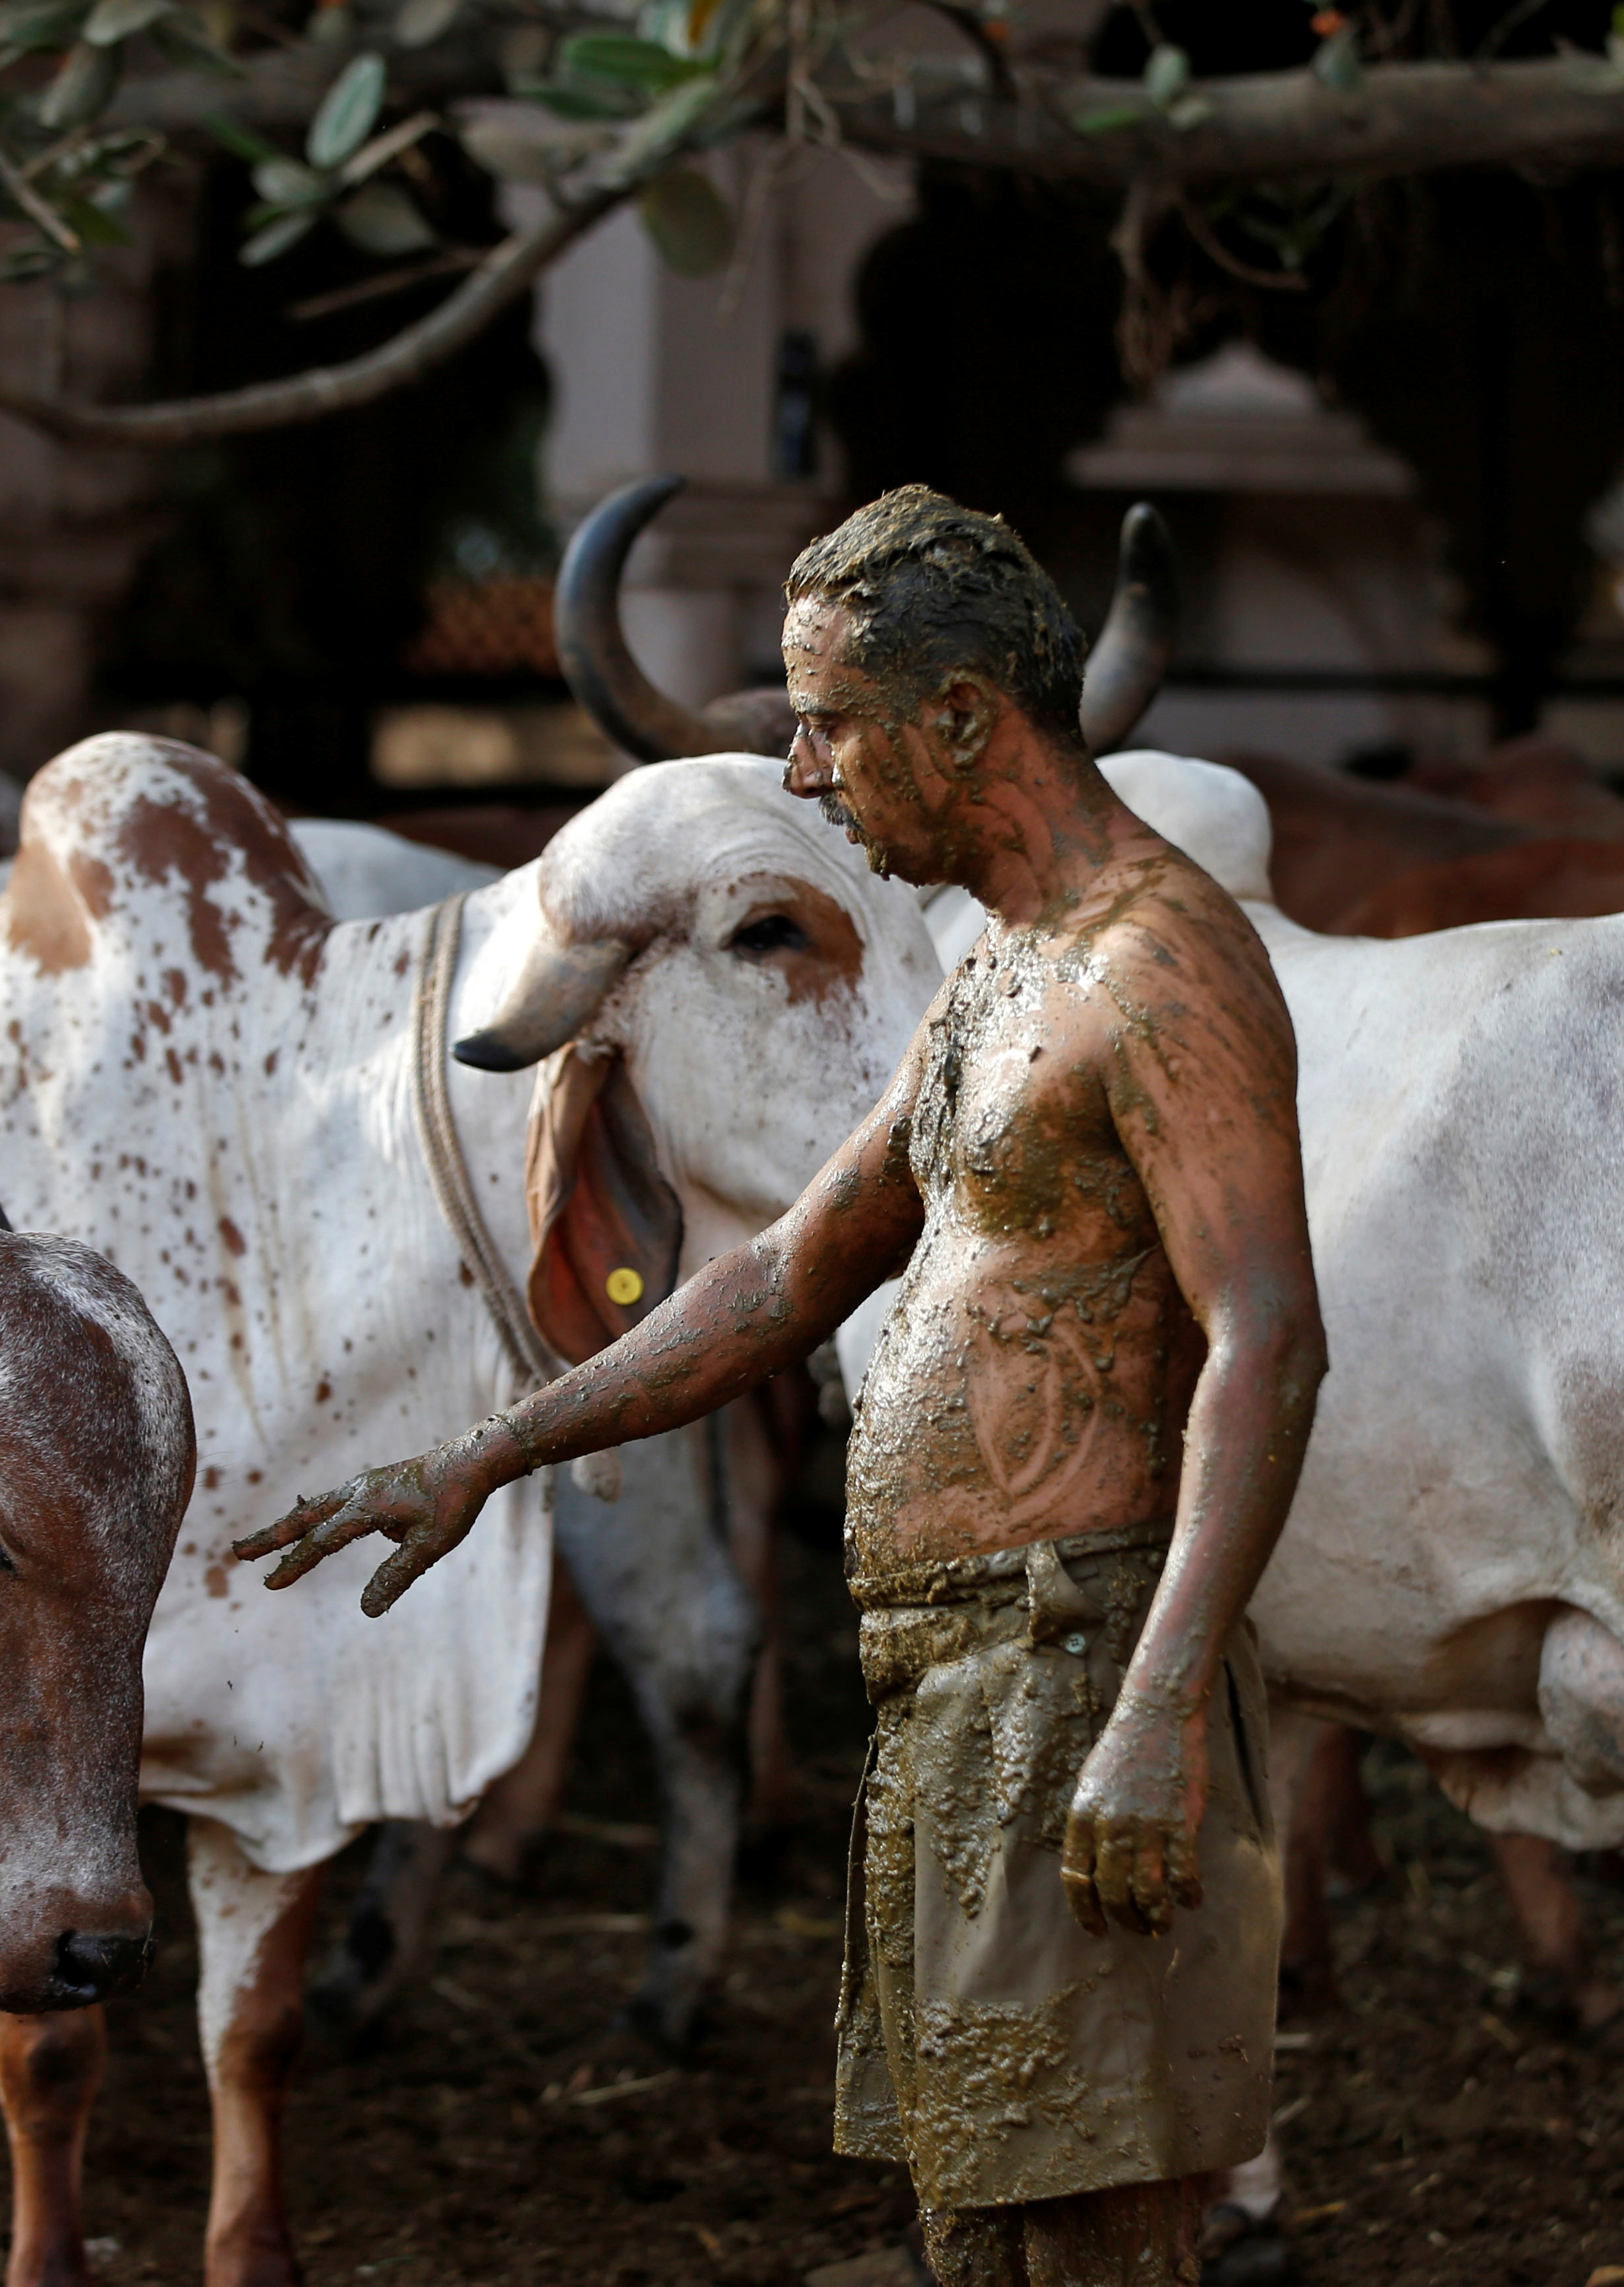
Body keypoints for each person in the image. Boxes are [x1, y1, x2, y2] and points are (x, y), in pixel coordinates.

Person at [238, 486, 1326, 2287]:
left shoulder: (1158, 966)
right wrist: (486, 1452)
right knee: (978, 2223)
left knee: (1102, 2233)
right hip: (952, 1680)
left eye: (827, 720)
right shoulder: (1002, 968)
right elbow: (784, 1272)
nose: (805, 771)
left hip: (1080, 1659)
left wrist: (1157, 1706)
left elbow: (1268, 1337)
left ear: (964, 718)